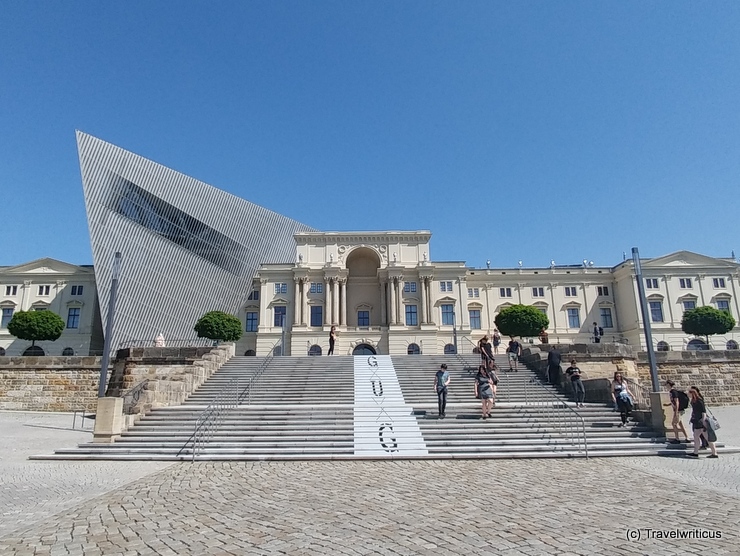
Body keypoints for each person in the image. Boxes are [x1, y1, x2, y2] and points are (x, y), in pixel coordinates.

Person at [686, 386, 718, 458]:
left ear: (692, 393)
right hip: (697, 421)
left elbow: (703, 412)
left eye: (689, 393)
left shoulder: (699, 400)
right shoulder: (693, 401)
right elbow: (695, 411)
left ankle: (714, 453)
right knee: (696, 436)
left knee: (707, 437)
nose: (688, 394)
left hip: (701, 421)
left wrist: (704, 422)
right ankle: (696, 452)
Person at [663, 380, 690, 444]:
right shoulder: (672, 392)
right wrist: (668, 404)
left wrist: (676, 411)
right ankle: (687, 437)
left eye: (666, 385)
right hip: (679, 410)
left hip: (678, 410)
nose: (666, 386)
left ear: (669, 385)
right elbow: (673, 401)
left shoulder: (673, 392)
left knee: (674, 424)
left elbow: (677, 402)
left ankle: (677, 439)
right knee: (680, 424)